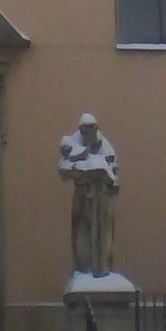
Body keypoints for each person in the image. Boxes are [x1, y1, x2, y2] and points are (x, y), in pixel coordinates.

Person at [58, 113, 119, 277]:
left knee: (103, 232)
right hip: (83, 193)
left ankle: (102, 267)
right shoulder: (72, 143)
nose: (88, 134)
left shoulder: (104, 144)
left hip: (102, 196)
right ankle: (83, 268)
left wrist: (110, 179)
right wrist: (78, 169)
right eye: (85, 131)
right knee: (82, 231)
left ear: (95, 129)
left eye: (91, 130)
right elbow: (63, 168)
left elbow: (113, 169)